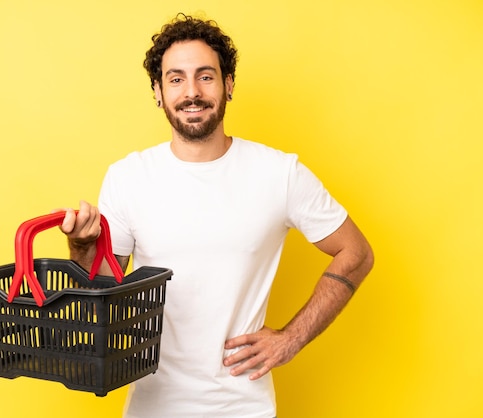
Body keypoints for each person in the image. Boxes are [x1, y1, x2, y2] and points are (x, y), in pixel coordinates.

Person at [58, 13, 374, 418]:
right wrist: (81, 245)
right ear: (157, 91)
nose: (192, 91)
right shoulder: (128, 177)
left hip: (244, 407)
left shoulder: (280, 173)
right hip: (152, 407)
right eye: (176, 79)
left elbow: (357, 252)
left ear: (228, 85)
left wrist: (291, 338)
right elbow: (99, 297)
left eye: (205, 76)